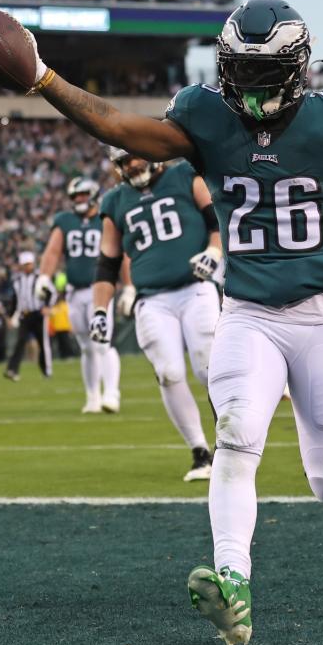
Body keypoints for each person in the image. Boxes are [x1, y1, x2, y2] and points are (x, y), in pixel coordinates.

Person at [12, 0, 323, 645]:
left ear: (298, 65)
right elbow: (117, 127)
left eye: (261, 72)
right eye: (238, 72)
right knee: (238, 434)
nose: (247, 88)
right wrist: (44, 78)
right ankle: (232, 582)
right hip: (246, 314)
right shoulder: (203, 116)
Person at [91, 146, 221, 482]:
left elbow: (216, 219)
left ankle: (230, 446)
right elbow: (107, 264)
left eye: (135, 156)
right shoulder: (114, 201)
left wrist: (214, 250)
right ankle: (199, 452)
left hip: (196, 288)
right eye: (123, 161)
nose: (131, 165)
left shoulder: (183, 174)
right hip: (152, 299)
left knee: (209, 367)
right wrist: (99, 311)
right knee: (169, 372)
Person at [35, 177, 122, 414]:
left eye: (83, 195)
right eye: (75, 197)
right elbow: (53, 252)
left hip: (100, 290)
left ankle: (111, 393)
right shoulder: (65, 221)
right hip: (74, 291)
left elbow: (120, 252)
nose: (79, 200)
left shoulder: (105, 217)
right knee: (86, 347)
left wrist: (129, 284)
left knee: (103, 343)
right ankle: (92, 397)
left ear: (93, 194)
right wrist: (44, 276)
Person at [4, 250, 50, 381]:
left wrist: (47, 306)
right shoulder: (17, 281)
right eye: (25, 264)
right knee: (20, 342)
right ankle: (12, 370)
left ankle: (46, 370)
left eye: (29, 264)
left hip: (38, 314)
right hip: (24, 315)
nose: (27, 266)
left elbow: (51, 293)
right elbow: (14, 300)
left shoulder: (39, 278)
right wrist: (10, 316)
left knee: (43, 343)